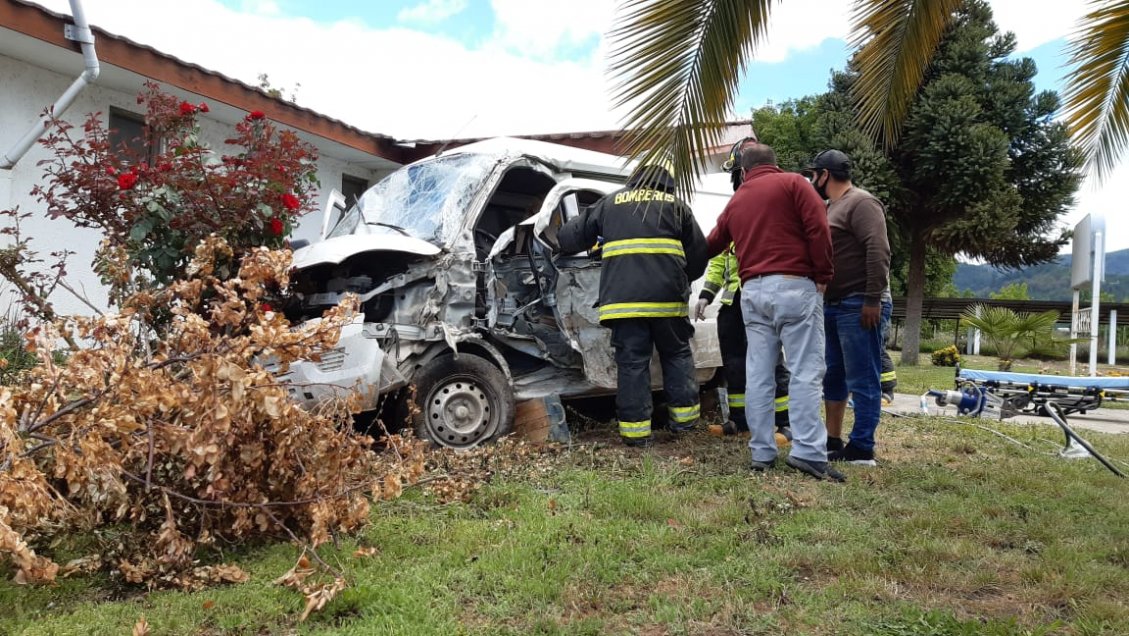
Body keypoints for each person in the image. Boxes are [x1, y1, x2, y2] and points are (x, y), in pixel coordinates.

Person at [705, 143, 843, 482]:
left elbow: (712, 244)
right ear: (774, 163)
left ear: (744, 170)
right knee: (805, 370)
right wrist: (823, 276)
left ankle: (762, 451)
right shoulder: (796, 184)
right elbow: (818, 230)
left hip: (752, 291)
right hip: (795, 286)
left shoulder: (738, 199)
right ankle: (808, 452)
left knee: (759, 373)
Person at [558, 160, 708, 447]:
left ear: (635, 180)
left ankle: (636, 435)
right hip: (668, 304)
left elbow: (569, 238)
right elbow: (700, 254)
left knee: (632, 364)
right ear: (666, 184)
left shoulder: (610, 203)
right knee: (676, 356)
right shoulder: (676, 206)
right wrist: (680, 279)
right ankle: (685, 425)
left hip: (624, 305)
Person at [695, 141, 793, 442]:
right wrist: (706, 295)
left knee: (772, 363)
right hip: (734, 300)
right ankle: (739, 420)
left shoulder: (778, 199)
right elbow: (720, 257)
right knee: (734, 363)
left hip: (763, 293)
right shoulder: (735, 205)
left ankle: (783, 424)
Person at [805, 149, 892, 465]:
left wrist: (872, 299)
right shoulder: (830, 207)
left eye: (814, 174)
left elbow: (878, 250)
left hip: (859, 304)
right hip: (833, 305)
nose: (811, 179)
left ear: (825, 175)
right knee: (834, 376)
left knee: (863, 377)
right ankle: (832, 439)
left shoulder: (862, 203)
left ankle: (862, 446)